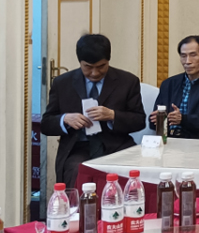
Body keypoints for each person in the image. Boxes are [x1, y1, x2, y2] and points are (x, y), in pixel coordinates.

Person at [41, 34, 145, 188]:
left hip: (117, 145)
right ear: (80, 62)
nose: (95, 73)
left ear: (108, 60)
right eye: (88, 67)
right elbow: (46, 124)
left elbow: (139, 120)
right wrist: (65, 119)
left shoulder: (128, 81)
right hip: (79, 147)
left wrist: (113, 115)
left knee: (133, 173)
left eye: (101, 66)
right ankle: (76, 204)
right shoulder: (62, 83)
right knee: (76, 170)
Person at [150, 35, 199, 139]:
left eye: (193, 55)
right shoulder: (168, 84)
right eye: (183, 56)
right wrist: (158, 119)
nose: (187, 61)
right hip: (169, 140)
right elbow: (153, 123)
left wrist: (183, 119)